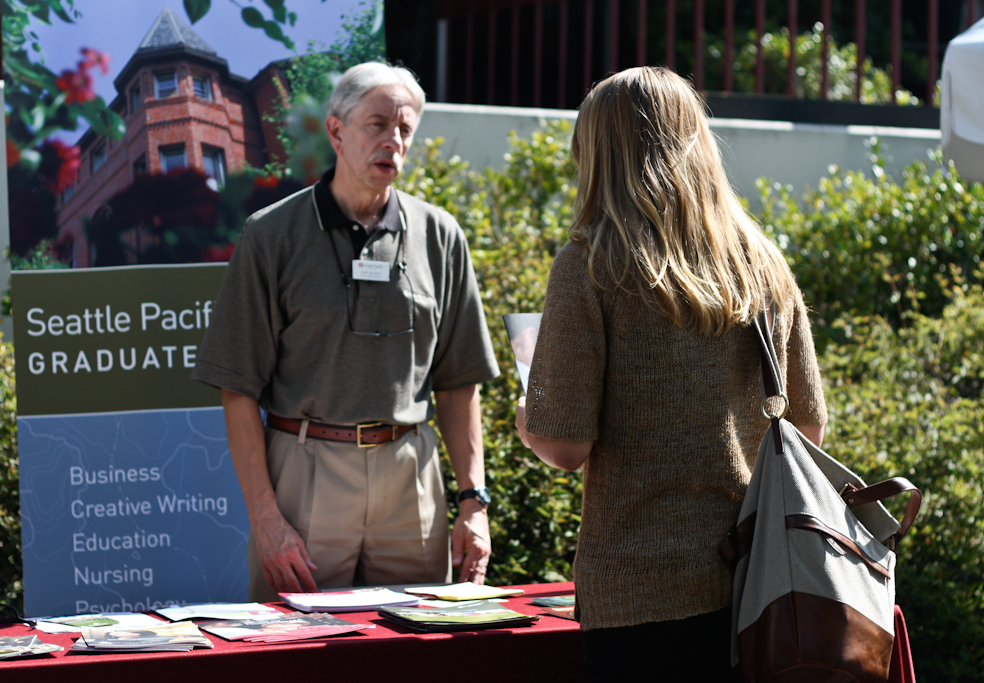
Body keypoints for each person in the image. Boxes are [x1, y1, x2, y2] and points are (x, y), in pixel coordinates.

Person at [514, 67, 828, 680]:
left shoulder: (591, 264)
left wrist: (530, 420)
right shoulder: (761, 264)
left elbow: (564, 445)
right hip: (761, 581)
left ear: (598, 152)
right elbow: (807, 430)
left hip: (638, 594)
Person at [193, 62, 499, 600]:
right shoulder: (271, 235)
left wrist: (473, 502)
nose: (393, 141)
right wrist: (266, 518)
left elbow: (460, 386)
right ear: (335, 130)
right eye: (377, 125)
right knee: (294, 652)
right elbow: (237, 390)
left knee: (417, 648)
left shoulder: (441, 237)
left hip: (411, 477)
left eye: (404, 130)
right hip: (305, 468)